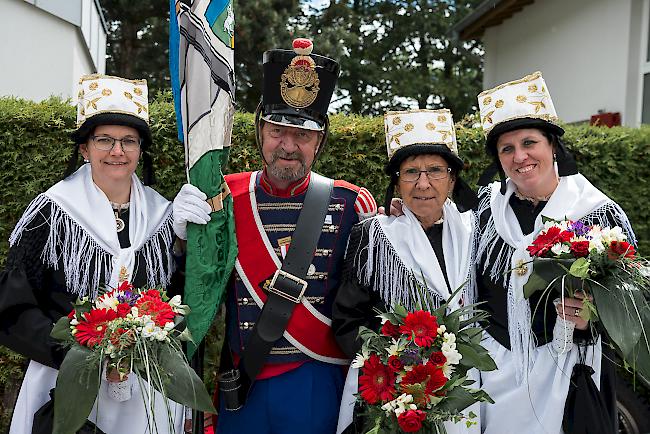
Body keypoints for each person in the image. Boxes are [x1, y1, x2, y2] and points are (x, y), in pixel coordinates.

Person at [172, 38, 377, 434]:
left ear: (319, 141)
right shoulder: (224, 196)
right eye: (277, 130)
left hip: (320, 382)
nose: (288, 145)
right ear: (260, 131)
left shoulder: (353, 204)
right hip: (244, 386)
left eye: (302, 135)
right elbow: (189, 288)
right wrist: (179, 240)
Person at [0, 74, 186, 433]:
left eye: (128, 141)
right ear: (84, 148)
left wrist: (185, 246)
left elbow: (179, 300)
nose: (117, 151)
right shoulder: (52, 214)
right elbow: (12, 306)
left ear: (140, 151)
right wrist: (78, 354)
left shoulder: (165, 217)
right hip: (64, 383)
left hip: (144, 392)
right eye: (104, 140)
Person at [474, 71, 635, 434]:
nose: (520, 157)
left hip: (572, 373)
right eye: (507, 149)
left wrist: (591, 320)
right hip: (497, 374)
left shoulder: (598, 214)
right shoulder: (485, 213)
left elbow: (629, 310)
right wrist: (401, 211)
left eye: (530, 142)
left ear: (552, 147)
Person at [331, 109, 480, 434]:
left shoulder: (476, 233)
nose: (423, 183)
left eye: (435, 171)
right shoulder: (374, 237)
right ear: (397, 181)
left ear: (452, 179)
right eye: (411, 171)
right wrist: (395, 364)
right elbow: (347, 320)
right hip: (393, 398)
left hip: (468, 394)